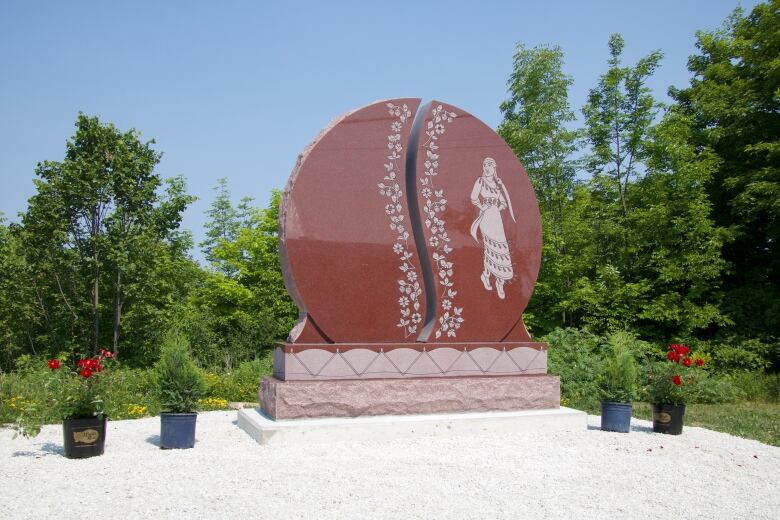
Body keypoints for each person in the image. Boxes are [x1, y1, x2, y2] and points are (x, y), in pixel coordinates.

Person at [470, 157, 516, 299]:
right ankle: (486, 275)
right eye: (485, 165)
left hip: (497, 219)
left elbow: (503, 202)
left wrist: (498, 207)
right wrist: (482, 206)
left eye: (490, 166)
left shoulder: (497, 184)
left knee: (501, 248)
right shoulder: (480, 181)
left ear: (494, 168)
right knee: (490, 248)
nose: (487, 168)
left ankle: (500, 282)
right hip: (486, 217)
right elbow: (473, 197)